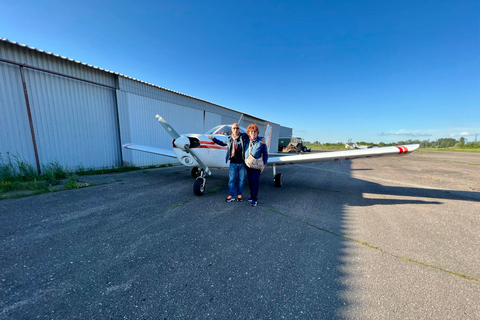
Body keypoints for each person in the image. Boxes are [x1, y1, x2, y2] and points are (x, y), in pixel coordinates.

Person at [207, 123, 250, 203]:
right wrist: (213, 139)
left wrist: (261, 139)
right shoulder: (229, 138)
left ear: (239, 129)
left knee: (241, 180)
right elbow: (222, 143)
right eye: (234, 128)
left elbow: (252, 136)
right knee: (231, 180)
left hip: (241, 162)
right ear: (232, 129)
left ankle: (239, 195)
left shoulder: (244, 136)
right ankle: (231, 195)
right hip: (233, 163)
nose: (236, 130)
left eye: (237, 128)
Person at [244, 123, 268, 207]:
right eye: (251, 131)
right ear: (249, 133)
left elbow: (265, 154)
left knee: (254, 181)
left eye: (255, 131)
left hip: (257, 165)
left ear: (257, 132)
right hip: (248, 164)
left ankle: (254, 199)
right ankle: (251, 195)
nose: (253, 133)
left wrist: (264, 164)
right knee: (250, 181)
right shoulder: (246, 140)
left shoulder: (261, 141)